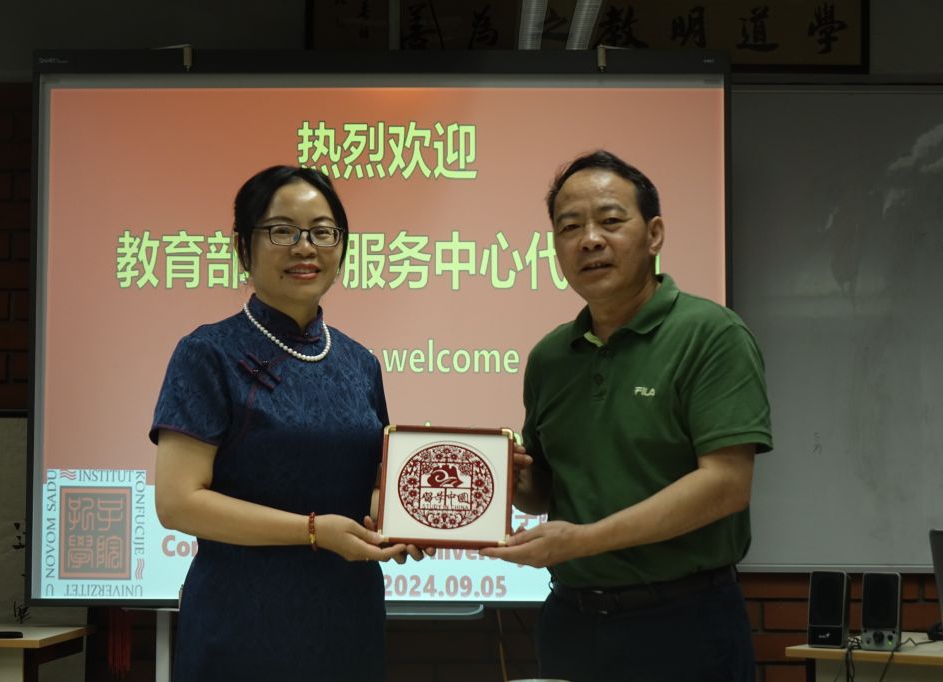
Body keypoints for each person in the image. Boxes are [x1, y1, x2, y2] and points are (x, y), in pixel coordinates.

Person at [481, 150, 773, 682]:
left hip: (685, 624)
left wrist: (582, 541)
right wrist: (511, 479)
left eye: (610, 221)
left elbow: (726, 485)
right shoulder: (551, 357)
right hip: (572, 622)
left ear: (654, 234)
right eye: (570, 227)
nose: (590, 240)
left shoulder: (711, 334)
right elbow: (545, 490)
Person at [151, 165, 417, 681]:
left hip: (347, 621)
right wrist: (313, 532)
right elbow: (178, 502)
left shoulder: (359, 362)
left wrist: (403, 524)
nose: (304, 247)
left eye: (322, 232)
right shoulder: (208, 353)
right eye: (281, 231)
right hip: (242, 624)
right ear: (243, 246)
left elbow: (368, 489)